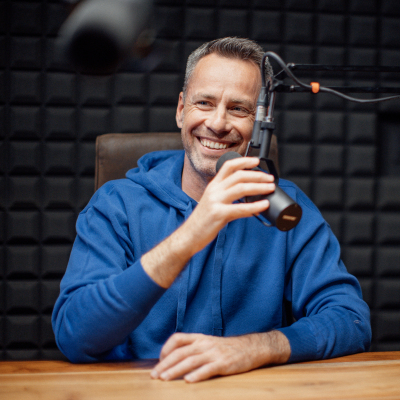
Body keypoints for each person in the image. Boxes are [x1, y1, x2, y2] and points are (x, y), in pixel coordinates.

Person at [52, 37, 371, 383]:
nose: (218, 124)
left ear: (260, 123)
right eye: (204, 103)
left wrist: (253, 348)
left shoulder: (286, 207)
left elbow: (350, 318)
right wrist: (192, 233)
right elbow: (74, 334)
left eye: (238, 108)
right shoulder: (117, 205)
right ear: (180, 109)